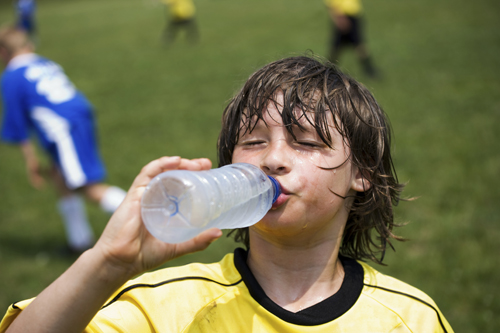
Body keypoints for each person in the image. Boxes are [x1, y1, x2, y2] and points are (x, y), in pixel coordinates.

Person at [0, 56, 454, 332]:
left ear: (364, 173)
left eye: (307, 142)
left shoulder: (410, 319)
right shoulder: (167, 307)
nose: (273, 159)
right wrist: (107, 264)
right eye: (254, 142)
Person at [0, 26, 126, 253]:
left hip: (64, 128)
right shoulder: (44, 62)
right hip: (78, 116)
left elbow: (18, 124)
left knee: (87, 187)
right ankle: (79, 241)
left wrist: (30, 160)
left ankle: (152, 217)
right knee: (60, 176)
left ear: (3, 52)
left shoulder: (12, 76)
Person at [324, 0, 379, 78]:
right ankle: (369, 70)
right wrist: (340, 19)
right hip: (344, 17)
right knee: (352, 45)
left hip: (353, 16)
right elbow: (332, 4)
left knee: (341, 46)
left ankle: (327, 70)